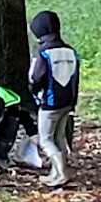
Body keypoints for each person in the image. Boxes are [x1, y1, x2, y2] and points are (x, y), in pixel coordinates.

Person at [29, 10, 79, 187]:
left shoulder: (43, 53)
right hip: (67, 102)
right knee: (60, 138)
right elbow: (75, 78)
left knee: (46, 139)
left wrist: (35, 93)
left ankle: (61, 174)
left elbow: (35, 78)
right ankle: (56, 172)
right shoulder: (70, 51)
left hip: (49, 103)